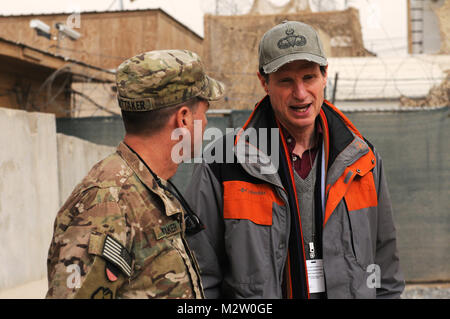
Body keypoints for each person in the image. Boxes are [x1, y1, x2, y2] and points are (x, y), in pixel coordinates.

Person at [185, 21, 405, 299]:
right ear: (264, 82)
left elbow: (386, 268)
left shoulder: (363, 161)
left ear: (325, 75)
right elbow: (200, 280)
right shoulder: (223, 165)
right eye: (286, 80)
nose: (300, 94)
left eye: (309, 78)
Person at [46, 49, 225, 299]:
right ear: (184, 119)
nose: (205, 124)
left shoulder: (148, 187)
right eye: (203, 113)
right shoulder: (107, 203)